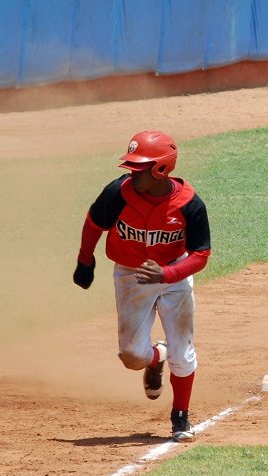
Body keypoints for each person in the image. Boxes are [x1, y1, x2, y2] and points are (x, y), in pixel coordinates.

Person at [72, 130, 211, 442]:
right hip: (131, 276)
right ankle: (156, 357)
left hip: (174, 275)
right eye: (131, 166)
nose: (132, 173)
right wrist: (85, 260)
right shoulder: (117, 193)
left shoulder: (190, 205)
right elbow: (94, 223)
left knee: (183, 351)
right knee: (132, 356)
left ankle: (180, 416)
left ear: (160, 169)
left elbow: (201, 255)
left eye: (140, 168)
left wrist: (167, 274)